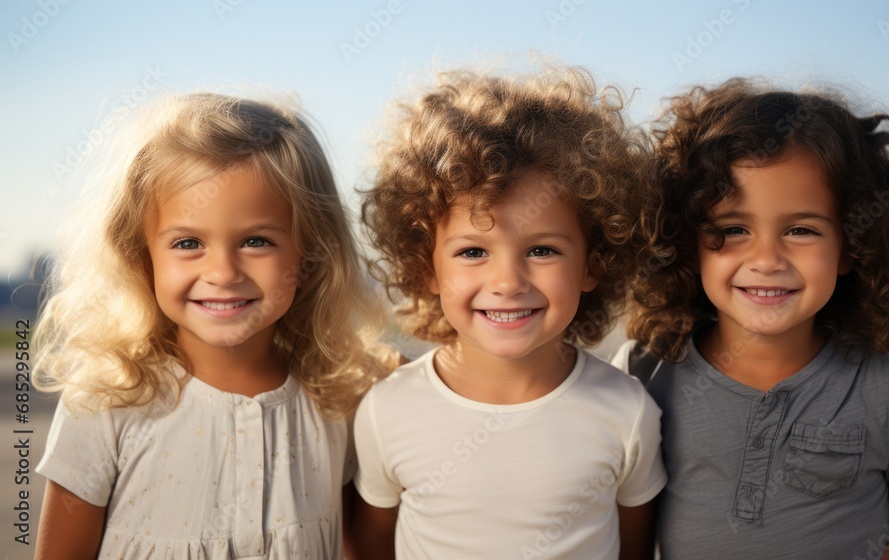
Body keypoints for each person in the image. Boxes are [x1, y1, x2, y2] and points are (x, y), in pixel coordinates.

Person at [612, 78, 889, 559]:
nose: (767, 258)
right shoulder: (643, 375)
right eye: (733, 229)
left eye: (801, 230)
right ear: (688, 242)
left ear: (851, 246)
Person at [33, 92, 395, 559]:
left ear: (310, 256)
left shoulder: (340, 402)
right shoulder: (107, 402)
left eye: (256, 241)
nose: (223, 273)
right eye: (188, 243)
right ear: (142, 258)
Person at [353, 64, 667, 559]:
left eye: (542, 250)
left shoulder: (627, 413)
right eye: (473, 252)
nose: (507, 283)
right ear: (425, 266)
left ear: (594, 262)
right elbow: (371, 548)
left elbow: (634, 548)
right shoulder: (385, 412)